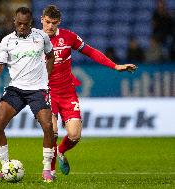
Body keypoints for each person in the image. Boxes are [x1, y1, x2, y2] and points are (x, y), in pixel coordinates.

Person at [41, 5, 137, 177]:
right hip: (47, 93)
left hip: (67, 92)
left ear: (59, 22)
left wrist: (115, 66)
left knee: (74, 135)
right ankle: (50, 171)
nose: (50, 26)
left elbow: (90, 52)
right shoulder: (34, 40)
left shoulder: (68, 37)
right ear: (42, 20)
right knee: (52, 131)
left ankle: (61, 151)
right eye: (47, 22)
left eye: (54, 23)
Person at [0, 7, 56, 182]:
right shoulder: (7, 41)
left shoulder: (42, 37)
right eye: (19, 23)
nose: (22, 27)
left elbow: (50, 55)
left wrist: (46, 79)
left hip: (37, 90)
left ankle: (47, 169)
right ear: (14, 22)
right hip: (16, 89)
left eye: (25, 24)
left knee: (48, 127)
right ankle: (5, 167)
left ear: (31, 23)